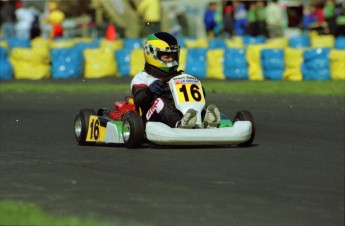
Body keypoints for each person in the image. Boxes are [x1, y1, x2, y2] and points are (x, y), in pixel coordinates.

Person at [130, 32, 220, 129]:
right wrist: (149, 91)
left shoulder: (180, 76)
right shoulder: (142, 77)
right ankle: (180, 124)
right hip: (149, 119)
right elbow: (139, 100)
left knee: (195, 106)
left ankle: (205, 122)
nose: (171, 59)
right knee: (159, 102)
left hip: (180, 111)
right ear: (152, 55)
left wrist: (199, 90)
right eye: (167, 56)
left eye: (173, 56)